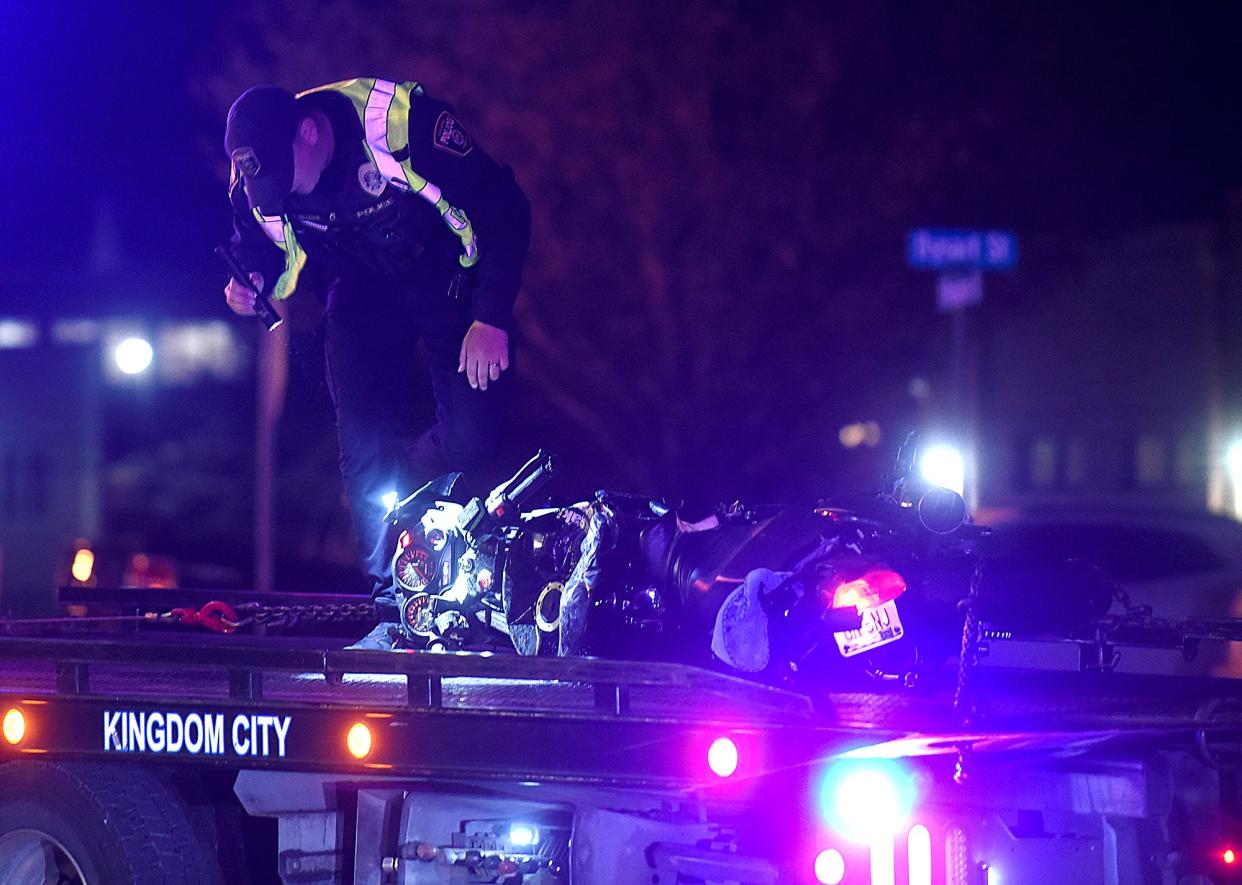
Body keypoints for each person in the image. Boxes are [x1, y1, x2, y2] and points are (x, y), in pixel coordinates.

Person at [222, 78, 531, 647]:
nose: (278, 194)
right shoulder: (259, 178)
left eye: (282, 178)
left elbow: (504, 205)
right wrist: (251, 281)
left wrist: (490, 317)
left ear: (308, 132)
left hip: (444, 282)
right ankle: (391, 607)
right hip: (360, 293)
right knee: (360, 446)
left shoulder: (397, 125)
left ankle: (411, 486)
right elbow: (255, 241)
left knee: (472, 438)